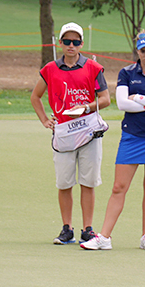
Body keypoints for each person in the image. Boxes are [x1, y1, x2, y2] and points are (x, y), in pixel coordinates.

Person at [81, 30, 145, 251]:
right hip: (132, 135)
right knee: (118, 186)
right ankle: (104, 237)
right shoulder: (126, 73)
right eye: (143, 51)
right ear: (138, 51)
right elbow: (123, 104)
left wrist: (140, 99)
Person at [30, 22, 111, 245]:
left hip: (89, 131)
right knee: (64, 183)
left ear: (82, 44)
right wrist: (45, 120)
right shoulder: (50, 69)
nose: (71, 46)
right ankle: (67, 229)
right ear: (60, 43)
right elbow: (35, 97)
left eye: (75, 42)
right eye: (67, 41)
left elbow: (105, 99)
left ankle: (88, 229)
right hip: (64, 131)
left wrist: (85, 108)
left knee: (88, 181)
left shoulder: (94, 68)